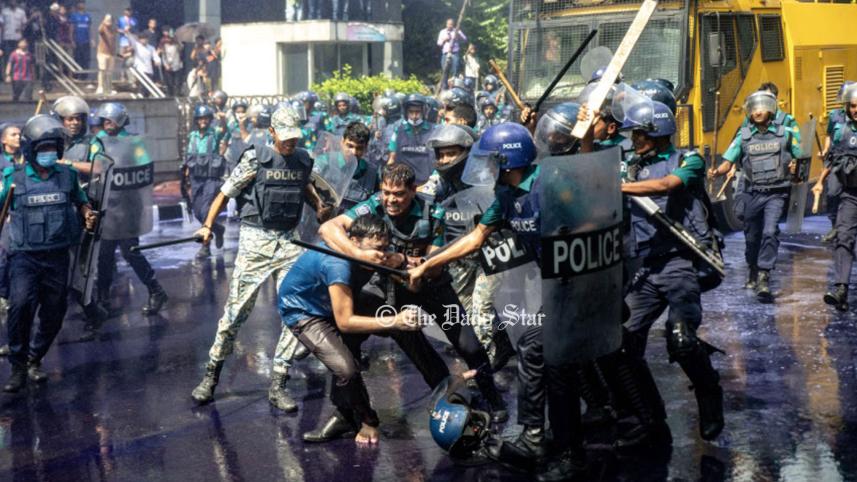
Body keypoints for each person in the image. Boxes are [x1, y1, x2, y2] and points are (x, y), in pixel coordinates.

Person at [408, 123, 586, 480]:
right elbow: (476, 238)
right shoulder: (505, 195)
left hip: (579, 284)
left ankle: (562, 448)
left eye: (491, 161)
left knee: (543, 355)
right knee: (544, 358)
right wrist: (430, 263)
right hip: (553, 288)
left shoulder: (549, 184)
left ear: (508, 160)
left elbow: (590, 218)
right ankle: (546, 437)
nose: (485, 168)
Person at [319, 163, 508, 423]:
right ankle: (346, 411)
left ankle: (493, 399)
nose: (390, 200)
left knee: (469, 345)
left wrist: (399, 259)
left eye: (398, 194)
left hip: (432, 286)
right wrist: (359, 254)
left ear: (413, 190)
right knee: (349, 338)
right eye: (386, 192)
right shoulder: (373, 204)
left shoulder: (434, 212)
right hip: (389, 288)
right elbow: (328, 228)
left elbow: (431, 265)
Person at [190, 105, 328, 412]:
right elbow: (225, 193)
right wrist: (207, 226)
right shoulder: (256, 158)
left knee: (299, 312)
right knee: (236, 313)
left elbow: (303, 184)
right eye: (286, 138)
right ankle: (211, 375)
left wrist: (319, 205)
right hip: (256, 242)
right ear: (272, 133)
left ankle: (279, 381)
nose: (291, 143)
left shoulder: (303, 159)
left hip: (289, 241)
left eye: (295, 137)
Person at [621, 100, 725, 444]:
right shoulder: (631, 169)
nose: (634, 139)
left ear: (659, 130)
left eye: (640, 132)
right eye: (633, 133)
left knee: (679, 338)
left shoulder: (688, 159)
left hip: (682, 261)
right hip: (647, 268)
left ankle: (709, 393)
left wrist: (620, 187)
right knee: (623, 342)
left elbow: (668, 185)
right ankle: (650, 417)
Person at [278, 214, 422, 444]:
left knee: (405, 330)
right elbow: (345, 321)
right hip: (305, 312)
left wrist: (402, 262)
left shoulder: (374, 254)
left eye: (385, 248)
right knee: (346, 369)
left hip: (334, 300)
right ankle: (368, 420)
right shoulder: (338, 265)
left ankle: (443, 385)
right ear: (353, 242)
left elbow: (399, 266)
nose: (381, 255)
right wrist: (394, 320)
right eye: (376, 249)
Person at [1, 115, 97, 392]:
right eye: (43, 148)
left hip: (57, 255)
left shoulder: (67, 176)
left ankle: (35, 358)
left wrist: (87, 213)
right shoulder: (13, 178)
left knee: (55, 312)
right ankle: (18, 367)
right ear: (31, 150)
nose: (49, 154)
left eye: (53, 148)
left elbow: (80, 202)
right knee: (20, 307)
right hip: (24, 257)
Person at [709, 91, 802, 302]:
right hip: (752, 193)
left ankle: (764, 275)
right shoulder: (743, 136)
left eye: (762, 107)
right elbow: (728, 161)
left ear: (771, 109)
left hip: (776, 193)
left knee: (770, 232)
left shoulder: (786, 133)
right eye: (754, 108)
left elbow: (800, 158)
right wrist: (717, 171)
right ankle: (752, 267)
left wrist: (795, 167)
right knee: (752, 238)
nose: (758, 111)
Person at [94, 102, 169, 317]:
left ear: (119, 121)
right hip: (108, 207)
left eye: (110, 120)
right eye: (104, 121)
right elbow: (95, 165)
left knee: (131, 253)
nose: (106, 125)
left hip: (128, 208)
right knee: (104, 257)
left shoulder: (135, 142)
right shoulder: (98, 141)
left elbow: (144, 165)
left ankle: (156, 290)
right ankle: (103, 299)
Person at [815, 83, 857, 311]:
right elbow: (833, 159)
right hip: (851, 194)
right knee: (844, 238)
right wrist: (820, 181)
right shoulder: (842, 126)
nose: (855, 110)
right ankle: (841, 288)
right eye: (852, 106)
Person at [182, 104, 227, 258]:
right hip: (196, 178)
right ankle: (218, 229)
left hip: (210, 178)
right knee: (197, 211)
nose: (203, 121)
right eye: (200, 118)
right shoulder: (192, 136)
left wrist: (223, 120)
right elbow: (190, 156)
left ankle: (205, 246)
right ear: (196, 120)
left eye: (206, 118)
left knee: (206, 210)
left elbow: (224, 130)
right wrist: (186, 176)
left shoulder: (214, 133)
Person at [818, 81, 855, 244]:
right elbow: (829, 135)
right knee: (832, 193)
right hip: (837, 161)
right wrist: (826, 150)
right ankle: (834, 226)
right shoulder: (835, 116)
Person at [387, 94, 437, 184]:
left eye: (418, 112)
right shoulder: (398, 131)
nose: (414, 116)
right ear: (406, 113)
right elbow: (392, 159)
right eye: (411, 112)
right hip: (404, 183)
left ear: (424, 112)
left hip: (426, 184)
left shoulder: (434, 131)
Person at [437, 18, 467, 89]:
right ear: (446, 24)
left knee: (455, 70)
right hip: (445, 53)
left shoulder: (456, 31)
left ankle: (454, 88)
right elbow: (438, 43)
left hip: (455, 53)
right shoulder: (442, 32)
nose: (450, 26)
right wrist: (444, 40)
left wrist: (459, 34)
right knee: (445, 71)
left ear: (453, 25)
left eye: (451, 24)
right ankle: (444, 88)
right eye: (448, 24)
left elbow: (465, 39)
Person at [1, 0, 26, 77]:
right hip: (7, 37)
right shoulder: (4, 11)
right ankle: (8, 75)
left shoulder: (21, 12)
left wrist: (21, 29)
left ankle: (17, 75)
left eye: (14, 1)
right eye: (11, 1)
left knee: (19, 57)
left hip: (18, 38)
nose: (13, 2)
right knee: (8, 57)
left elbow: (24, 24)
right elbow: (1, 25)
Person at [158, 29, 183, 96]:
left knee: (177, 83)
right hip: (168, 66)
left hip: (177, 66)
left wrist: (177, 41)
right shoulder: (164, 46)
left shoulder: (176, 45)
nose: (169, 41)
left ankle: (177, 94)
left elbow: (181, 48)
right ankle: (170, 95)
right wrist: (166, 65)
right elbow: (163, 57)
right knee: (169, 83)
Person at [68, 2, 92, 73]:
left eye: (83, 3)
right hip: (77, 41)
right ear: (78, 5)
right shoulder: (74, 15)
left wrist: (91, 40)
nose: (82, 5)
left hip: (86, 41)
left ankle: (84, 75)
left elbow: (89, 29)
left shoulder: (87, 16)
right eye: (80, 3)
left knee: (86, 59)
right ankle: (77, 74)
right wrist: (72, 40)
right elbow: (71, 28)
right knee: (77, 58)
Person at [96, 14, 116, 95]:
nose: (109, 21)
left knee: (110, 72)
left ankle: (108, 89)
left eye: (110, 20)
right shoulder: (102, 28)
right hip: (102, 53)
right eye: (107, 19)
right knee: (102, 70)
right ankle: (100, 87)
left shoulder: (113, 29)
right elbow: (99, 30)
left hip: (111, 53)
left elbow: (119, 31)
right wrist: (104, 22)